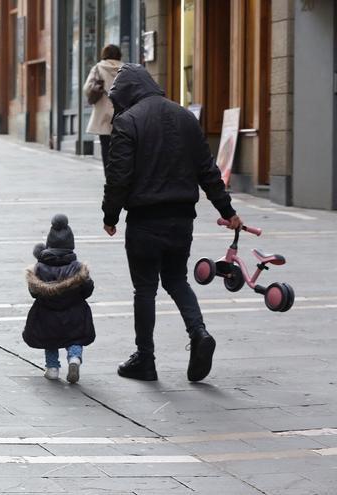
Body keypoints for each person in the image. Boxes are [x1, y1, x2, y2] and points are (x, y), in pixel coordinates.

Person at [102, 64, 242, 382]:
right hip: (182, 219)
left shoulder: (128, 121)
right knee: (177, 280)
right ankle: (199, 333)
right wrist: (227, 210)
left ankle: (145, 359)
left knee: (145, 289)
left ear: (126, 94)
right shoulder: (185, 117)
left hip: (145, 221)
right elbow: (209, 171)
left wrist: (111, 216)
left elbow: (118, 176)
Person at [23, 214, 95, 384]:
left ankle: (53, 368)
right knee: (75, 337)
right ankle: (74, 359)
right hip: (74, 312)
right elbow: (88, 289)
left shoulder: (40, 267)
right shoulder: (77, 267)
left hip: (47, 313)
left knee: (50, 340)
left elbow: (34, 292)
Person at [83, 44, 124, 170]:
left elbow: (87, 88)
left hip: (103, 113)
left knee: (106, 146)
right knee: (121, 147)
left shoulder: (98, 68)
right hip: (121, 112)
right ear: (118, 54)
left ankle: (109, 174)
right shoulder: (126, 68)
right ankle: (120, 173)